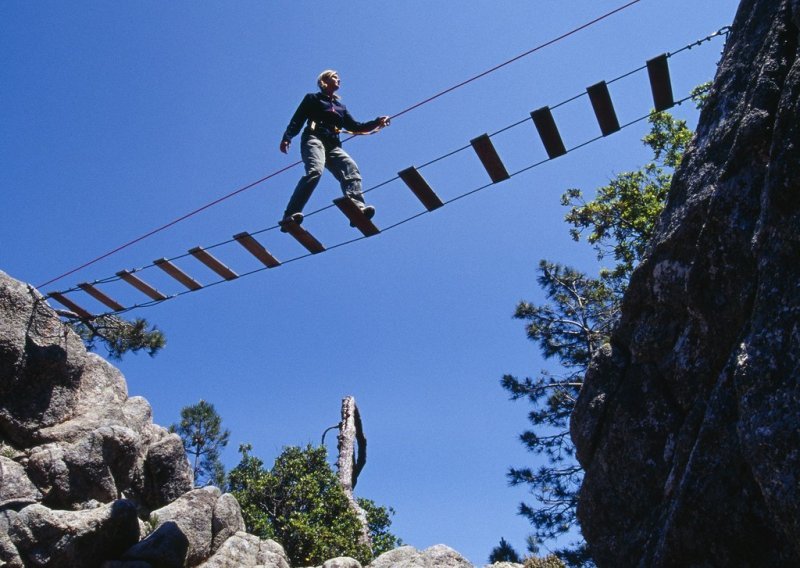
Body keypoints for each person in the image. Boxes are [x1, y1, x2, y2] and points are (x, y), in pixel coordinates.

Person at [279, 70, 390, 230]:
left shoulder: (340, 107)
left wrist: (377, 122)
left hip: (333, 145)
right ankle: (290, 214)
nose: (339, 80)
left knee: (350, 167)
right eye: (335, 77)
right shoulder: (313, 98)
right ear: (325, 80)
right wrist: (287, 137)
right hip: (314, 138)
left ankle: (357, 208)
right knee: (315, 171)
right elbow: (298, 118)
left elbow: (355, 127)